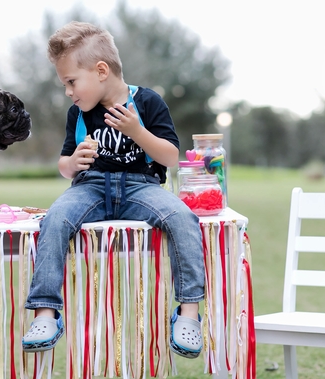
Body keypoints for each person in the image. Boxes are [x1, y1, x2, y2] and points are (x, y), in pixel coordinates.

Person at [21, 21, 205, 359]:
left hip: (141, 186)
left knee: (182, 217)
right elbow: (64, 166)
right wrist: (74, 160)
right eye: (65, 84)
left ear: (101, 70)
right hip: (90, 188)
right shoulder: (78, 112)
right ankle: (45, 312)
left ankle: (189, 314)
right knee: (56, 218)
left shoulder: (147, 102)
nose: (68, 92)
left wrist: (137, 130)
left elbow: (171, 157)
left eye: (71, 82)